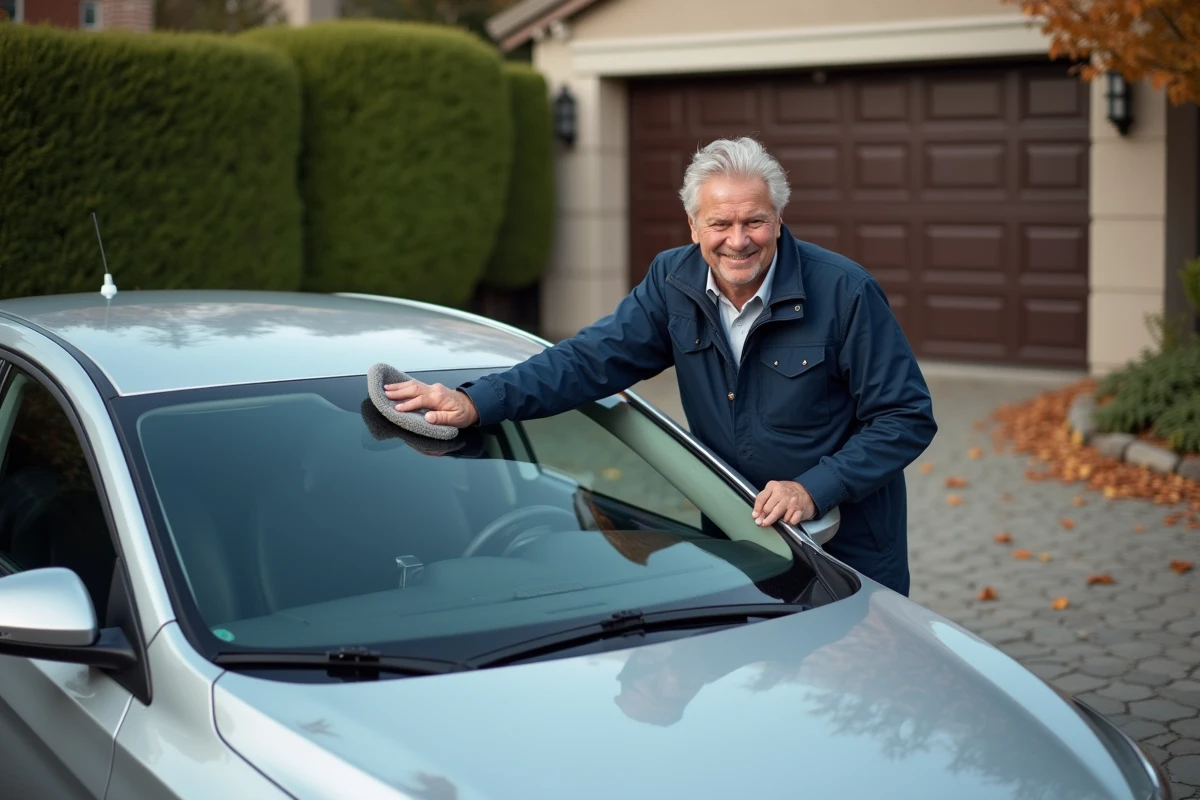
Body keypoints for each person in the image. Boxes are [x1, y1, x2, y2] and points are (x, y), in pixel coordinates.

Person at [385, 136, 937, 596]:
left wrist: (814, 487)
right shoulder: (672, 282)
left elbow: (905, 416)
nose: (738, 241)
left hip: (848, 549)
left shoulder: (844, 292)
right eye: (720, 223)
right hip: (737, 541)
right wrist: (477, 401)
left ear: (779, 218)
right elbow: (589, 360)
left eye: (755, 222)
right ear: (693, 225)